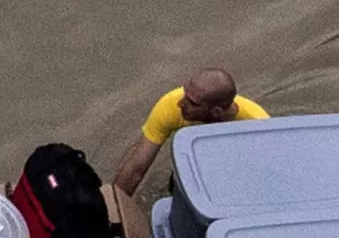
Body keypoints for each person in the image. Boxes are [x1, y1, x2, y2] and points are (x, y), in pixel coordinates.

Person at [112, 68, 269, 195]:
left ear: (216, 112)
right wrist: (112, 214)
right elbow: (136, 168)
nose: (180, 103)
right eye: (184, 94)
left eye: (191, 102)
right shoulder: (171, 105)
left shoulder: (258, 125)